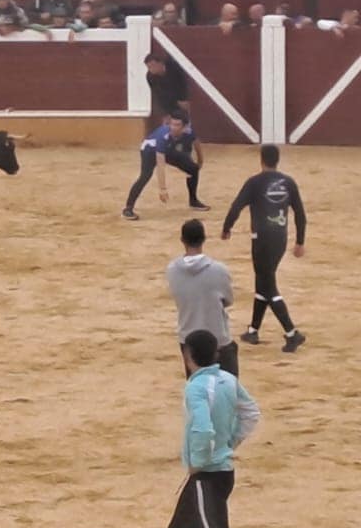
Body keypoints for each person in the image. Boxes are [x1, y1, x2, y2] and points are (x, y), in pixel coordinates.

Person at [158, 329, 260, 528]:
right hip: (218, 473)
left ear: (188, 356)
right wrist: (230, 443)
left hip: (208, 476)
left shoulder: (196, 387)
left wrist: (201, 460)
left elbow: (202, 429)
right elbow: (251, 413)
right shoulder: (228, 380)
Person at [222, 144, 307, 354]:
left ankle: (291, 333)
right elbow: (300, 213)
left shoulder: (254, 182)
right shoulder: (288, 182)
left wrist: (227, 228)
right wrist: (300, 241)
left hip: (261, 240)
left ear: (261, 160)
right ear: (277, 160)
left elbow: (236, 206)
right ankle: (253, 330)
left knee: (268, 286)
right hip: (280, 238)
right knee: (263, 281)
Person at [167, 219, 239, 380]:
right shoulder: (219, 269)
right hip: (217, 336)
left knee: (197, 386)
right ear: (204, 239)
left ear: (182, 240)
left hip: (188, 337)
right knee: (227, 386)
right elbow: (228, 300)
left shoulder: (172, 270)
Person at [125, 111, 205, 219]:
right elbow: (160, 164)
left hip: (167, 150)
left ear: (185, 127)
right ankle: (128, 208)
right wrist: (162, 189)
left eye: (177, 125)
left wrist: (200, 161)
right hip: (149, 151)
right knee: (145, 176)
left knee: (193, 168)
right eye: (172, 124)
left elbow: (196, 143)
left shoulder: (189, 132)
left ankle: (193, 201)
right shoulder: (163, 136)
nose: (173, 127)